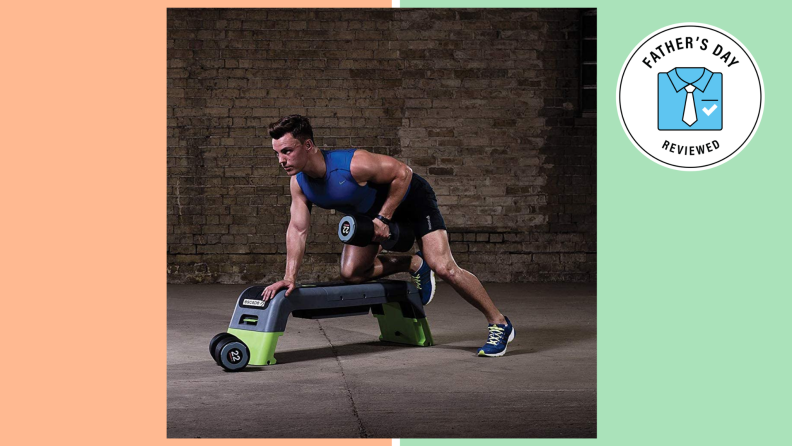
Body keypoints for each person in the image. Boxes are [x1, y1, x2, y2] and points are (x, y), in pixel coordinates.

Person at [260, 115, 515, 357]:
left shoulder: (352, 164)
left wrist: (384, 218)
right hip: (373, 212)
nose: (281, 160)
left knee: (444, 267)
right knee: (352, 273)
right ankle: (414, 263)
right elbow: (297, 229)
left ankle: (499, 323)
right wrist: (289, 277)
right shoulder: (299, 184)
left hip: (411, 200)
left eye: (287, 151)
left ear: (308, 145)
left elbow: (403, 173)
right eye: (277, 153)